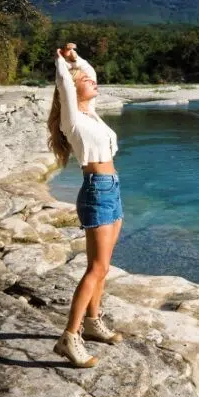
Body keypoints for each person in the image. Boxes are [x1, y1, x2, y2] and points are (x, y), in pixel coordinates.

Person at [47, 42, 124, 368]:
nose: (93, 81)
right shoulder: (73, 120)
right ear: (72, 87)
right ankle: (70, 336)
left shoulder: (90, 114)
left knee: (103, 267)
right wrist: (61, 62)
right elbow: (66, 83)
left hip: (113, 190)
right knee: (95, 268)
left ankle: (93, 322)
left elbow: (88, 73)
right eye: (84, 80)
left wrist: (77, 59)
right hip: (97, 193)